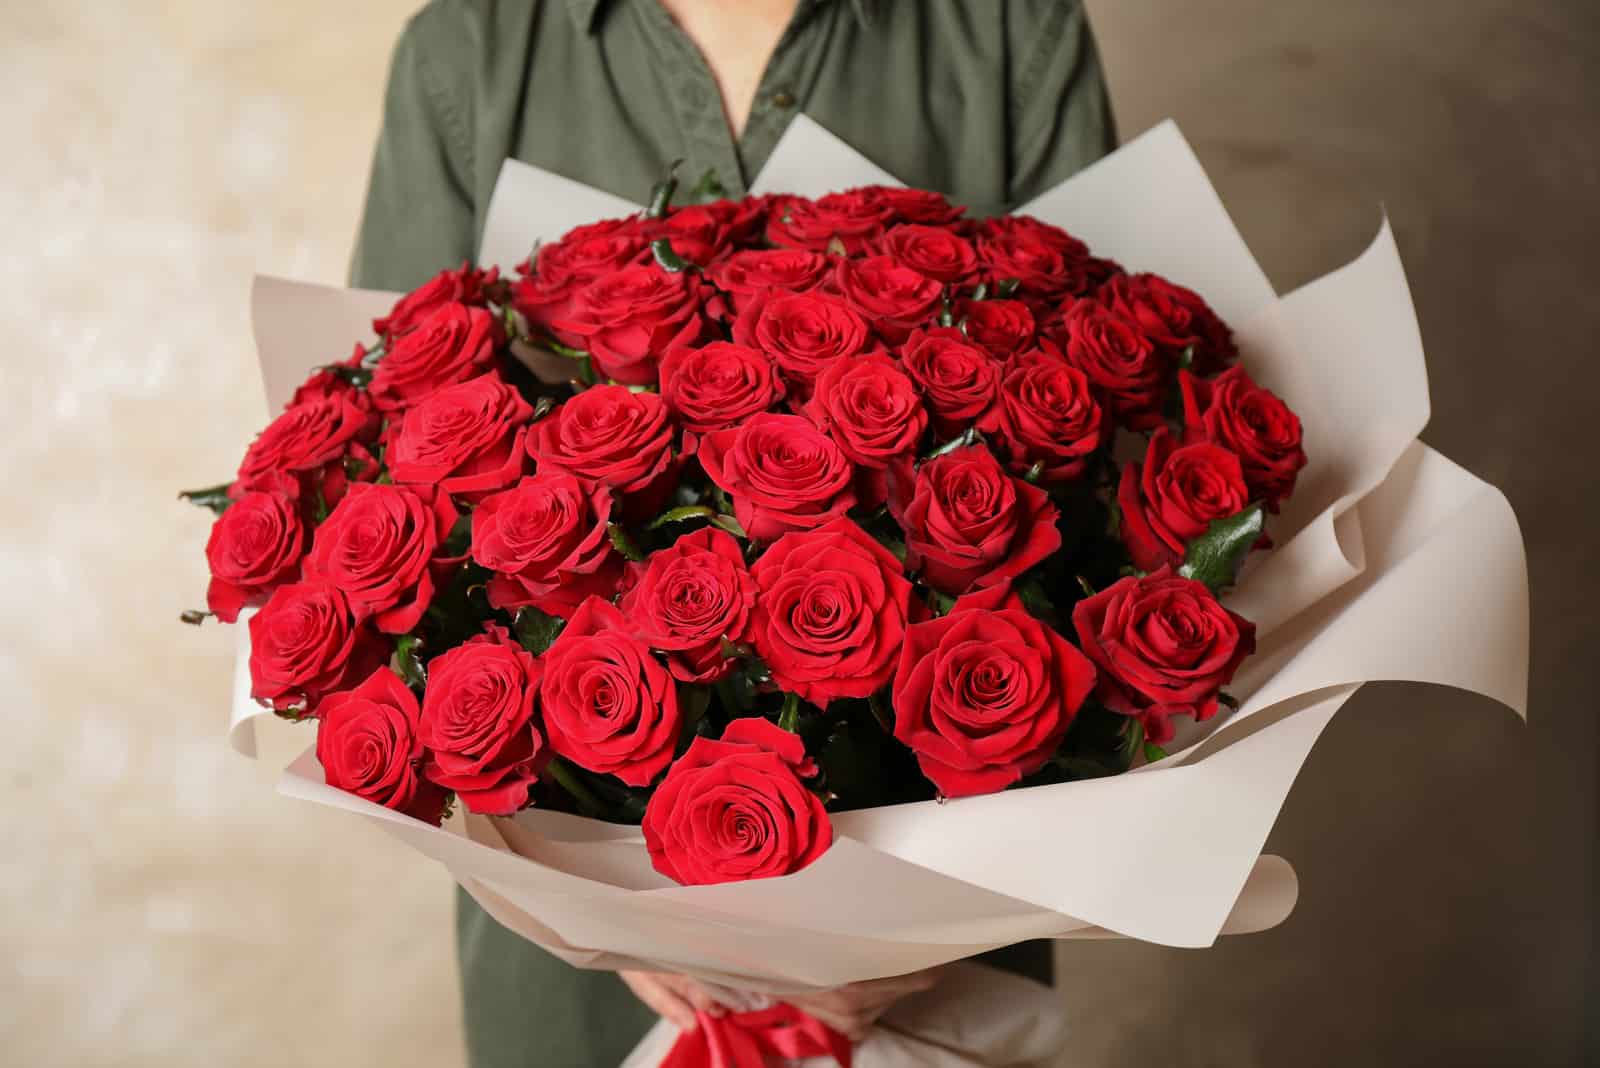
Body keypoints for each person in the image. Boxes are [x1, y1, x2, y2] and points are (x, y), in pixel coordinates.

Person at [349, 2, 1117, 1064]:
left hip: (936, 951)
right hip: (587, 971)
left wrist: (926, 927)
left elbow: (1115, 460)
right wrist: (603, 917)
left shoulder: (1005, 29)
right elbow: (375, 486)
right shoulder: (469, 49)